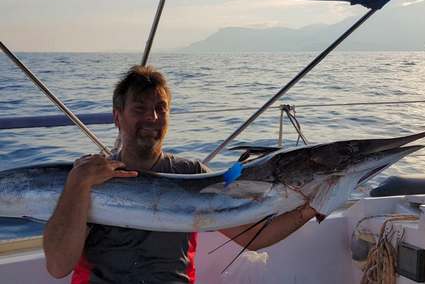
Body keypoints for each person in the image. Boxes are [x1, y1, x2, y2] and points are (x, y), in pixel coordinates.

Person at [43, 65, 318, 284]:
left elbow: (251, 237)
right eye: (139, 108)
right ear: (118, 117)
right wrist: (77, 185)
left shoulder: (193, 174)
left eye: (160, 108)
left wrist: (310, 209)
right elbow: (58, 266)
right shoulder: (88, 176)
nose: (152, 117)